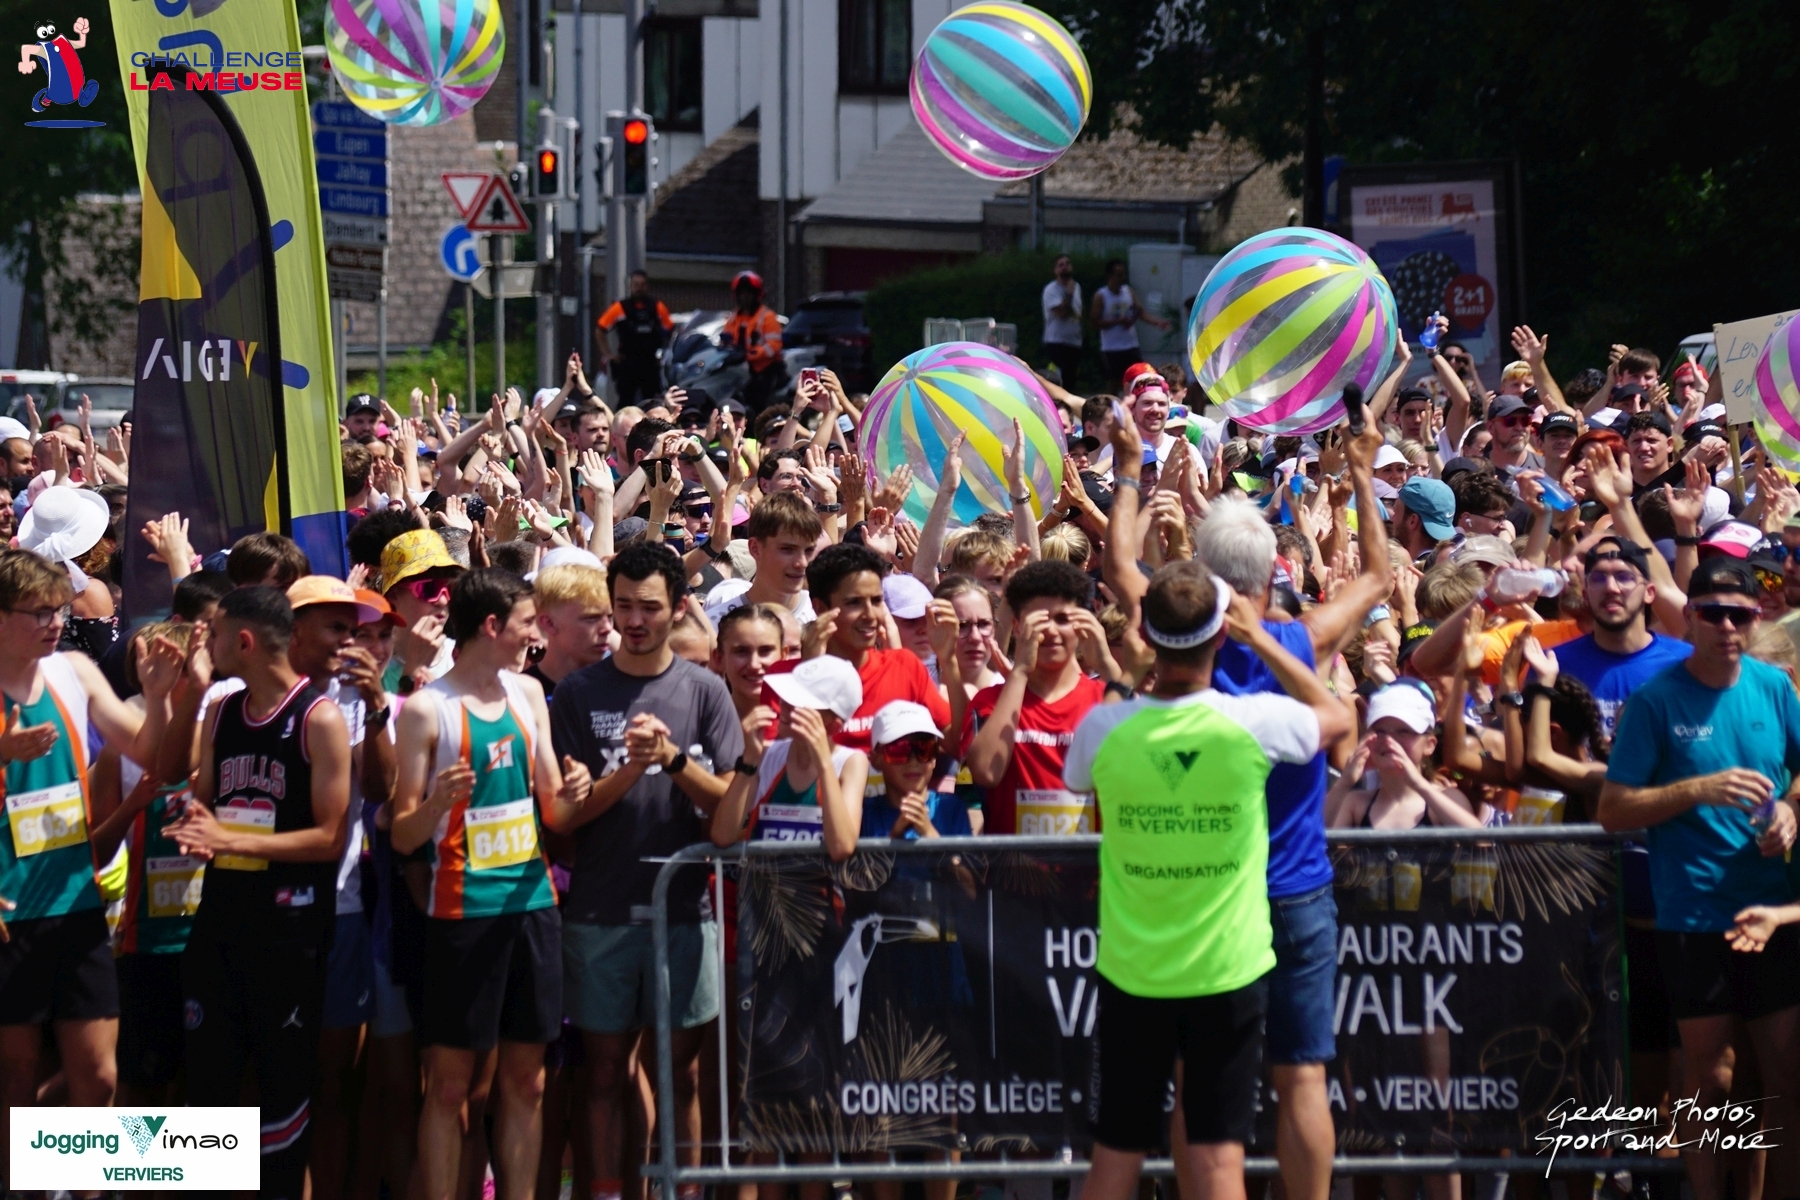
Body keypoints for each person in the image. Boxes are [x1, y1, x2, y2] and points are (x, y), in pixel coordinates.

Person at [1064, 563, 1350, 1200]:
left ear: (1147, 634)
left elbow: (1077, 777)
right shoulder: (1255, 722)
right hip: (1227, 974)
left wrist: (1131, 671)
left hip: (1134, 973)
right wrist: (1268, 641)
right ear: (1223, 635)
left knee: (1114, 1157)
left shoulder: (1103, 730)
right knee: (1219, 1162)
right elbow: (1334, 716)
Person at [1597, 556, 1800, 1200]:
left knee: (1785, 1082)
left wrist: (1792, 811)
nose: (1726, 627)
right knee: (1709, 1083)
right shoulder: (1656, 701)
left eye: (1740, 615)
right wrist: (1698, 789)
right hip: (1691, 915)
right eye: (1712, 613)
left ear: (1755, 619)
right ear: (1690, 617)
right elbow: (1612, 810)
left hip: (1774, 911)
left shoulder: (1774, 687)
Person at [390, 569, 592, 1200]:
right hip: (459, 913)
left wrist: (581, 793)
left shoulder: (530, 696)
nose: (537, 635)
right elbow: (401, 833)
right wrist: (435, 805)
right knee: (450, 1088)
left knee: (526, 1083)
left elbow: (554, 809)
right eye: (529, 623)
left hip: (531, 906)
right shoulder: (429, 709)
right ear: (492, 626)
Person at [548, 544, 741, 1200]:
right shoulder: (577, 693)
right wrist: (628, 769)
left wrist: (673, 761)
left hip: (687, 913)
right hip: (599, 912)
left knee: (681, 1076)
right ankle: (606, 1191)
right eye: (622, 606)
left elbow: (732, 811)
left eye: (649, 607)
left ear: (679, 607)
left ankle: (682, 1192)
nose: (633, 620)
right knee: (602, 1073)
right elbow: (565, 817)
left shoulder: (707, 691)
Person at [167, 585, 352, 1200]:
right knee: (209, 1088)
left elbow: (329, 837)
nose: (209, 643)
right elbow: (196, 789)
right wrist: (197, 824)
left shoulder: (318, 717)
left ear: (243, 642)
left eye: (217, 633)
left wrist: (231, 838)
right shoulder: (220, 710)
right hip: (220, 918)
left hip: (290, 932)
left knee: (283, 1092)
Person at [0, 549, 180, 1177]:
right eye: (36, 612)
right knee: (17, 1078)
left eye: (58, 609)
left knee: (101, 1075)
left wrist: (156, 700)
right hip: (10, 912)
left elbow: (149, 754)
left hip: (77, 903)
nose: (54, 622)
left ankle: (85, 1187)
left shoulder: (75, 672)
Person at [959, 561, 1108, 835]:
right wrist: (1020, 672)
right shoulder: (990, 702)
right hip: (1013, 873)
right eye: (1038, 620)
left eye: (1063, 619)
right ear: (1016, 626)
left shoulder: (1105, 699)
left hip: (1091, 873)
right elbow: (986, 773)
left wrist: (1106, 662)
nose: (1051, 630)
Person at [710, 655, 868, 861]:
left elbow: (841, 847)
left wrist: (823, 764)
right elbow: (722, 836)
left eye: (798, 703)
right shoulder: (767, 754)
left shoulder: (851, 762)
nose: (783, 704)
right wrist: (749, 760)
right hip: (760, 892)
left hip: (818, 892)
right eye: (786, 696)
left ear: (834, 725)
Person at [804, 543, 950, 757]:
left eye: (877, 601)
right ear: (820, 608)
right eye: (854, 603)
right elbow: (789, 765)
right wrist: (811, 676)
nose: (870, 615)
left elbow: (957, 745)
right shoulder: (783, 681)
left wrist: (950, 661)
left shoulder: (905, 666)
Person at [702, 491, 822, 626]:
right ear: (755, 548)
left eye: (809, 550)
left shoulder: (824, 617)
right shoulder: (716, 624)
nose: (802, 563)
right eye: (788, 549)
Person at [530, 557, 615, 696]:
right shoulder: (516, 695)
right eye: (591, 618)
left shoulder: (621, 689)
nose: (607, 628)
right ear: (549, 623)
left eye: (610, 617)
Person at [598, 270, 675, 408]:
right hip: (628, 364)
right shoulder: (620, 307)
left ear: (647, 286)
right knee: (625, 402)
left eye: (642, 284)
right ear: (630, 286)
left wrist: (663, 353)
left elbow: (670, 328)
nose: (639, 288)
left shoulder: (657, 307)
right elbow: (600, 329)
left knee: (653, 403)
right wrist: (608, 354)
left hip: (650, 364)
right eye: (636, 284)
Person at [1089, 259, 1167, 386]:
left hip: (1130, 344)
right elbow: (1094, 323)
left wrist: (1157, 322)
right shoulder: (1102, 296)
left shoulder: (1128, 291)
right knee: (1114, 381)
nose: (1122, 278)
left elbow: (1140, 312)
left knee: (1138, 378)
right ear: (1110, 276)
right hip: (1111, 347)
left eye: (1124, 274)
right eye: (1119, 275)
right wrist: (1117, 321)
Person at [719, 270, 786, 414]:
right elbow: (725, 337)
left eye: (749, 293)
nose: (745, 297)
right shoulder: (734, 317)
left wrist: (753, 354)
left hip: (765, 369)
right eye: (742, 293)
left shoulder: (768, 317)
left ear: (757, 294)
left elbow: (774, 346)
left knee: (760, 400)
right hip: (741, 368)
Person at [1041, 255, 1084, 386]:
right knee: (1059, 382)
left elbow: (1078, 312)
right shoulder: (1051, 290)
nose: (1065, 266)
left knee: (1071, 381)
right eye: (1061, 265)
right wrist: (1069, 294)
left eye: (1067, 263)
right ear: (1055, 271)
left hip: (1074, 342)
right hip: (1057, 342)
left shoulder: (1077, 287)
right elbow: (1061, 313)